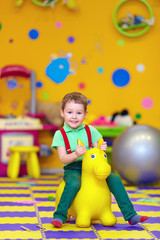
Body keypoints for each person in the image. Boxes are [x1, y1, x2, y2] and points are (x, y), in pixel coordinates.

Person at [51, 92, 148, 228]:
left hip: (92, 168)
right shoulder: (60, 134)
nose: (74, 116)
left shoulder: (90, 130)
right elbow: (63, 158)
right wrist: (75, 154)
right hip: (73, 168)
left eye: (79, 113)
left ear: (85, 114)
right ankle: (60, 215)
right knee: (73, 183)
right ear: (62, 113)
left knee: (114, 179)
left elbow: (97, 149)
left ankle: (130, 214)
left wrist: (102, 148)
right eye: (70, 112)